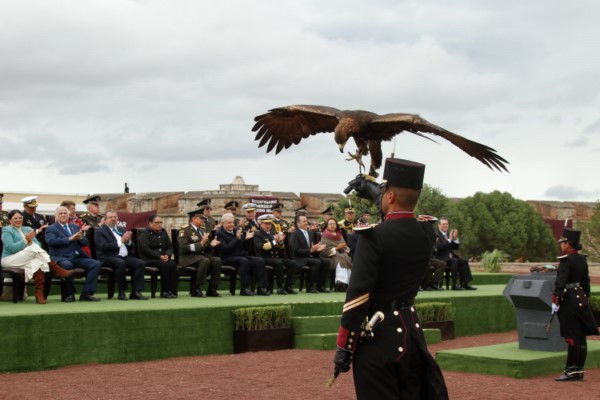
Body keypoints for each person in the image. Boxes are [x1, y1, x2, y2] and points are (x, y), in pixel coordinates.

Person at [334, 158, 448, 399]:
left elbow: (358, 296)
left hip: (380, 338)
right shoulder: (427, 232)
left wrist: (345, 345)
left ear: (391, 196)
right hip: (412, 333)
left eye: (384, 191)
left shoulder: (372, 237)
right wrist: (382, 196)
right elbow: (401, 224)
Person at [552, 228, 599, 381]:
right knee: (581, 337)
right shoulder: (581, 259)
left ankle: (570, 371)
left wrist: (555, 301)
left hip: (569, 301)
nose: (561, 245)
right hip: (581, 299)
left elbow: (560, 283)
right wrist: (584, 298)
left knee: (572, 336)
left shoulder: (565, 261)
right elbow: (586, 283)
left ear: (568, 244)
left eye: (563, 242)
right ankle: (579, 371)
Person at [1, 210, 72, 304]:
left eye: (20, 218)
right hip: (10, 259)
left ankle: (39, 293)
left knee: (39, 263)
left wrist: (30, 242)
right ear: (10, 220)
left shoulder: (28, 229)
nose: (18, 220)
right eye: (15, 218)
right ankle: (55, 268)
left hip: (28, 257)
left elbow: (38, 245)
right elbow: (11, 248)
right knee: (33, 249)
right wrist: (26, 241)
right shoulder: (7, 230)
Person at [45, 206, 102, 302]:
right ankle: (70, 294)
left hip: (76, 257)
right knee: (67, 265)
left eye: (65, 213)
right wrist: (69, 239)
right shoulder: (51, 228)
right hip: (60, 257)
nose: (63, 215)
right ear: (56, 216)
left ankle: (87, 293)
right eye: (60, 213)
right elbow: (51, 242)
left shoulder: (74, 226)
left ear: (68, 215)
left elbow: (85, 243)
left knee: (95, 264)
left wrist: (80, 238)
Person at [94, 210, 149, 300]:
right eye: (110, 217)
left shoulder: (120, 229)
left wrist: (128, 241)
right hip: (108, 257)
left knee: (140, 263)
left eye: (115, 217)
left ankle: (136, 292)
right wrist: (121, 241)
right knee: (120, 263)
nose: (113, 219)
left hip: (124, 257)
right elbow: (103, 247)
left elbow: (131, 247)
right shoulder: (100, 231)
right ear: (105, 220)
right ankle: (122, 292)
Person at [215, 213, 269, 296]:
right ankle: (244, 289)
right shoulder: (219, 233)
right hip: (227, 258)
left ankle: (261, 288)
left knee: (259, 260)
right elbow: (225, 249)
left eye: (233, 222)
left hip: (241, 256)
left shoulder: (236, 231)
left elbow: (245, 248)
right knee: (243, 261)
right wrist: (236, 238)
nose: (232, 224)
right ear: (223, 223)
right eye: (229, 223)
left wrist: (247, 239)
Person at [178, 209, 222, 297]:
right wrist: (200, 243)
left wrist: (212, 245)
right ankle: (196, 288)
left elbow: (206, 247)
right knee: (204, 260)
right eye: (201, 218)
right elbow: (183, 248)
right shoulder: (185, 230)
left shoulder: (202, 230)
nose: (203, 220)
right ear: (193, 219)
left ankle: (212, 289)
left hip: (201, 256)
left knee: (217, 260)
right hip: (188, 258)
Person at [253, 214, 297, 295]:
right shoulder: (258, 234)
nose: (268, 226)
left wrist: (280, 241)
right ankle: (280, 287)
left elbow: (281, 247)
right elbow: (262, 247)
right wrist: (275, 241)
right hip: (265, 258)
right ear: (261, 224)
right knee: (279, 263)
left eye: (270, 224)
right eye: (266, 224)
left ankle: (288, 286)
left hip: (276, 257)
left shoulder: (273, 233)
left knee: (292, 263)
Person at [138, 215, 179, 298]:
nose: (159, 225)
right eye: (157, 223)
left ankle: (171, 290)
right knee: (165, 265)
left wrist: (167, 255)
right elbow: (145, 249)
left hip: (163, 258)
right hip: (149, 259)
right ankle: (164, 291)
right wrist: (159, 257)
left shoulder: (163, 232)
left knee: (172, 264)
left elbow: (170, 247)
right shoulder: (145, 233)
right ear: (150, 223)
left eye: (160, 222)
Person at [289, 215, 329, 293]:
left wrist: (318, 249)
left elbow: (312, 248)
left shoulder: (310, 233)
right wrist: (310, 250)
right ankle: (310, 286)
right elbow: (296, 250)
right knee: (316, 262)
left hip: (310, 257)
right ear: (298, 224)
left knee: (326, 262)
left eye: (306, 221)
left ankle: (320, 286)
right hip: (299, 258)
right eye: (304, 221)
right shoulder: (295, 234)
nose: (306, 223)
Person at [433, 218, 476, 290]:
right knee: (454, 260)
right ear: (439, 225)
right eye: (443, 224)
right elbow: (439, 247)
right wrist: (449, 239)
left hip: (450, 257)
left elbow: (455, 247)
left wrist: (455, 239)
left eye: (446, 224)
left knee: (464, 261)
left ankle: (465, 283)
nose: (445, 225)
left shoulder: (449, 234)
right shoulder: (436, 235)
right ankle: (454, 284)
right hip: (440, 257)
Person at [319, 219, 352, 292]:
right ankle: (339, 283)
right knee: (341, 259)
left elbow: (345, 247)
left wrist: (344, 247)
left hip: (341, 255)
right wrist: (337, 248)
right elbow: (324, 250)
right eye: (330, 224)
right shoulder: (324, 236)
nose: (332, 225)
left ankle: (347, 284)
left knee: (346, 257)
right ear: (327, 226)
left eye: (334, 224)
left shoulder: (339, 235)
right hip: (331, 256)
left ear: (336, 225)